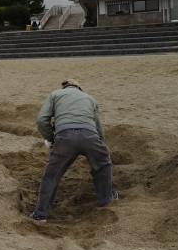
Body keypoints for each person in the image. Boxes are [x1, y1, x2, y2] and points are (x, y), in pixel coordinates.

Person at [29, 78, 118, 223]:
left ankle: (40, 214)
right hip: (90, 136)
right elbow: (98, 126)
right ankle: (106, 199)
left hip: (65, 138)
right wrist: (100, 144)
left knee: (52, 175)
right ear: (79, 88)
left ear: (65, 88)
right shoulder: (90, 98)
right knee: (103, 165)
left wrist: (51, 139)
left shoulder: (55, 94)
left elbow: (41, 120)